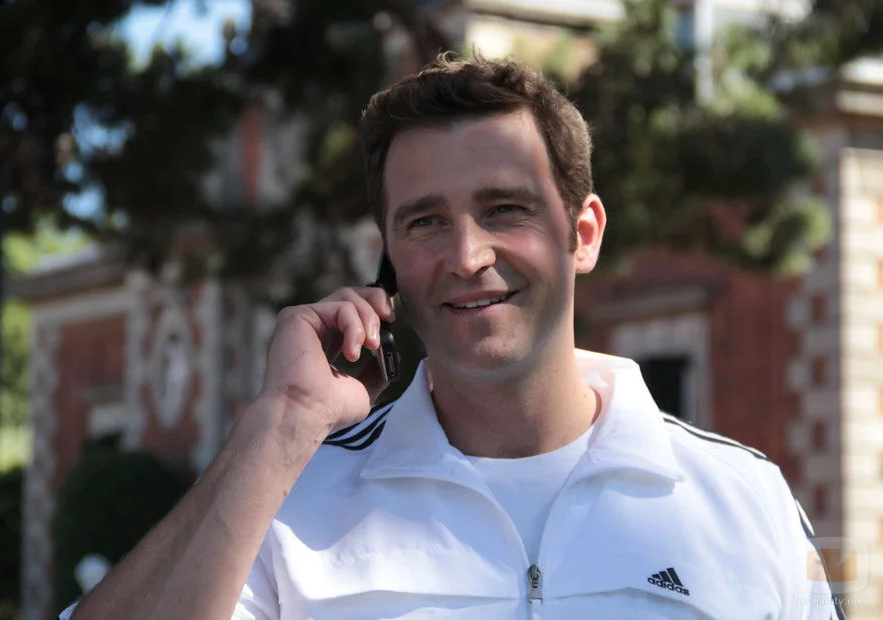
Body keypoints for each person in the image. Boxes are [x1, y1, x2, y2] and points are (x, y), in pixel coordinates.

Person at [63, 54, 842, 619]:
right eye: (426, 222)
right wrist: (279, 427)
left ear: (583, 233)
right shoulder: (286, 510)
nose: (467, 256)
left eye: (505, 209)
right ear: (389, 261)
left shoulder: (744, 501)